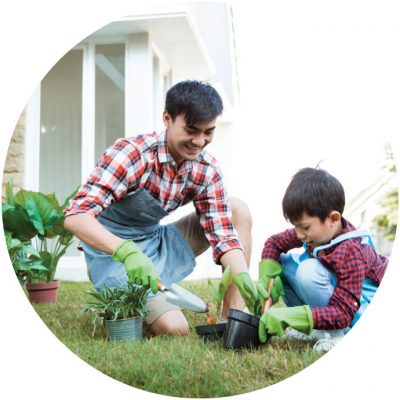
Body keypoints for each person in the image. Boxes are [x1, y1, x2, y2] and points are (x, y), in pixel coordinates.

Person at [64, 80, 252, 337]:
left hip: (155, 241)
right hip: (112, 255)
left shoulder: (206, 169)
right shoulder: (132, 155)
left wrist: (243, 278)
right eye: (191, 130)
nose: (199, 141)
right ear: (167, 118)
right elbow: (76, 216)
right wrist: (126, 252)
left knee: (237, 210)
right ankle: (124, 301)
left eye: (208, 131)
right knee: (175, 329)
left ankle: (231, 324)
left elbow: (224, 235)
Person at [234, 167, 388, 351]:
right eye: (296, 226)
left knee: (309, 270)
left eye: (305, 227)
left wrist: (290, 316)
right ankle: (317, 329)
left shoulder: (353, 251)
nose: (299, 234)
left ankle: (339, 334)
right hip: (336, 303)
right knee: (282, 262)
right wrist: (267, 276)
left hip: (356, 313)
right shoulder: (318, 232)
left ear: (333, 218)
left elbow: (344, 312)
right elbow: (274, 243)